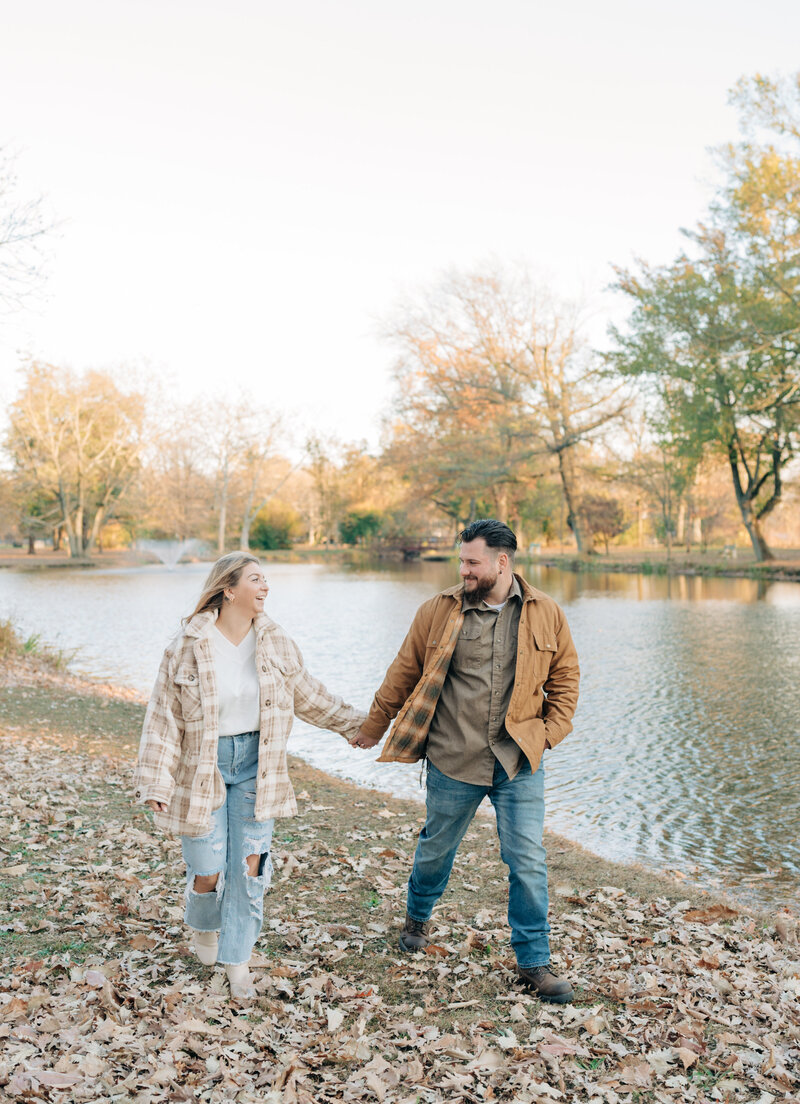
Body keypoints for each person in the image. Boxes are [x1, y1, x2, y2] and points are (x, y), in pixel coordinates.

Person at [350, 519, 580, 1003]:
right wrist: (374, 724)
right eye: (462, 561)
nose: (464, 570)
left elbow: (566, 682)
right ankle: (417, 915)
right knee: (436, 850)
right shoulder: (438, 611)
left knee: (528, 861)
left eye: (472, 561)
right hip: (454, 757)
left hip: (518, 763)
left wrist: (546, 736)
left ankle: (534, 963)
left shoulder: (547, 613)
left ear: (502, 561)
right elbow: (404, 670)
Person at [134, 552, 366, 1000]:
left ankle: (236, 962)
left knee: (250, 868)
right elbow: (163, 719)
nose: (265, 588)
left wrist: (358, 725)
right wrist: (156, 781)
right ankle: (203, 922)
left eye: (266, 580)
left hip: (258, 766)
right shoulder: (185, 646)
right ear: (229, 589)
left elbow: (309, 695)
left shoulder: (276, 641)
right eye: (256, 579)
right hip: (203, 766)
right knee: (208, 867)